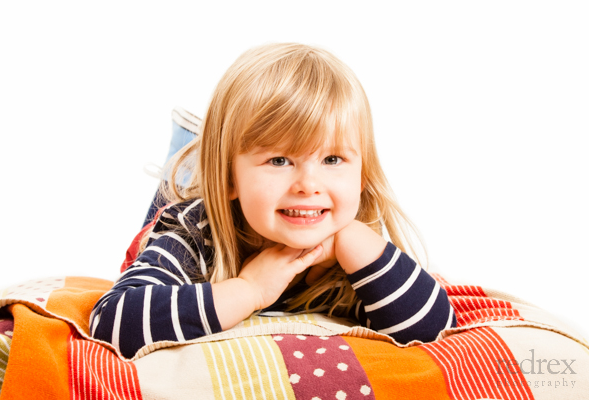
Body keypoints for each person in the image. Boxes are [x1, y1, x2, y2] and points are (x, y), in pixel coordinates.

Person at [90, 43, 457, 358]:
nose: (309, 185)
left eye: (332, 159)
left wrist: (356, 241)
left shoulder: (354, 239)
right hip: (202, 198)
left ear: (361, 176)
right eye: (279, 160)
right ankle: (193, 148)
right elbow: (112, 322)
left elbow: (436, 329)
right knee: (181, 181)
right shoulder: (191, 231)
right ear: (229, 177)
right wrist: (249, 291)